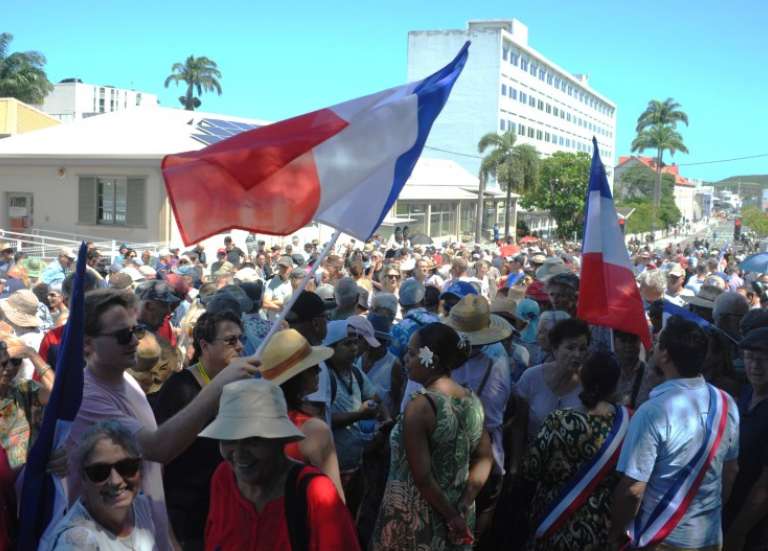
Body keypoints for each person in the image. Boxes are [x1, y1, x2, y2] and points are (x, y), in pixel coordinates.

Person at [66, 288, 259, 551]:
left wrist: (166, 536)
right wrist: (218, 385)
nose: (135, 341)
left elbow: (150, 474)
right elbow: (158, 449)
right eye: (123, 335)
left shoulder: (127, 381)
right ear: (87, 343)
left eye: (136, 330)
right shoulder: (87, 397)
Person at [608, 316, 740, 551]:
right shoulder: (726, 402)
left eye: (658, 343)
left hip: (661, 539)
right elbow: (730, 471)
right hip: (708, 537)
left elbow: (632, 489)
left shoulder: (652, 412)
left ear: (665, 355)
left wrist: (614, 533)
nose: (653, 347)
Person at [371, 323, 493, 550]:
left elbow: (423, 478)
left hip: (418, 517)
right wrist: (465, 502)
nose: (406, 359)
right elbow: (485, 457)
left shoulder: (421, 406)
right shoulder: (472, 400)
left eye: (412, 353)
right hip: (457, 511)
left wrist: (451, 516)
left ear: (432, 360)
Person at [201, 379, 359, 550]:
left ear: (279, 440)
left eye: (253, 440)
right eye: (229, 439)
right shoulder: (223, 478)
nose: (239, 454)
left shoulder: (315, 492)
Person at [151, 310, 243, 550]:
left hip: (225, 513)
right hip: (185, 519)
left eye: (240, 339)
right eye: (231, 341)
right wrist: (165, 528)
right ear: (205, 345)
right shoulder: (180, 387)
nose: (240, 346)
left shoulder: (239, 386)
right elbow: (157, 460)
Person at [523, 351, 628, 551]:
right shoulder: (627, 425)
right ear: (616, 383)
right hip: (598, 524)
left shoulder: (557, 420)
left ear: (582, 377)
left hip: (552, 516)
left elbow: (531, 469)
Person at [257, 328, 344, 500]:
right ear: (297, 378)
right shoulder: (313, 430)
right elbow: (334, 498)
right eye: (313, 367)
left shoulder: (254, 422)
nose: (319, 371)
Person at [42, 421, 157, 551]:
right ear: (83, 477)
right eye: (99, 472)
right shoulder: (78, 542)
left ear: (140, 467)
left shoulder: (141, 505)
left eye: (126, 467)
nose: (115, 481)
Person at [325, 318, 386, 515]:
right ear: (330, 347)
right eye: (347, 343)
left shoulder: (355, 372)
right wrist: (358, 415)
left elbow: (375, 397)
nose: (354, 348)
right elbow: (324, 420)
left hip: (356, 465)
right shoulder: (323, 376)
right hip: (331, 470)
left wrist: (383, 418)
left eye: (355, 341)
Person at [723, 327, 768, 551]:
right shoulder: (746, 393)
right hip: (728, 509)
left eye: (763, 359)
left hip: (755, 528)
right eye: (750, 358)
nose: (755, 365)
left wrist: (739, 531)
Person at [515, 318, 590, 441]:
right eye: (570, 348)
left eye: (582, 349)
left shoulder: (588, 385)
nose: (577, 354)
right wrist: (516, 459)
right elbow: (518, 426)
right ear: (555, 348)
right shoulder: (531, 378)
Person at [0, 337, 53, 468]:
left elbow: (57, 395)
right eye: (3, 362)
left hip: (22, 477)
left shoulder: (23, 389)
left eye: (15, 361)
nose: (10, 367)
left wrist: (31, 354)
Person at [389, 279, 439, 361]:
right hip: (437, 371)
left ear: (400, 303)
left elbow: (392, 361)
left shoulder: (398, 329)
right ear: (424, 299)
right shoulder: (437, 320)